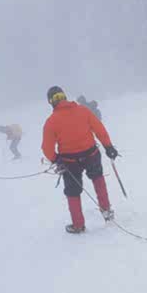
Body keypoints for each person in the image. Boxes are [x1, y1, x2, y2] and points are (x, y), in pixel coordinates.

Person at [42, 86, 119, 234]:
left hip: (69, 162)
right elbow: (99, 129)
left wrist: (56, 159)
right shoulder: (83, 111)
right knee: (98, 180)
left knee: (73, 192)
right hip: (91, 154)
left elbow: (47, 148)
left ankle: (78, 225)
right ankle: (107, 212)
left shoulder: (51, 121)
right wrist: (108, 146)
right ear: (64, 97)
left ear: (51, 102)